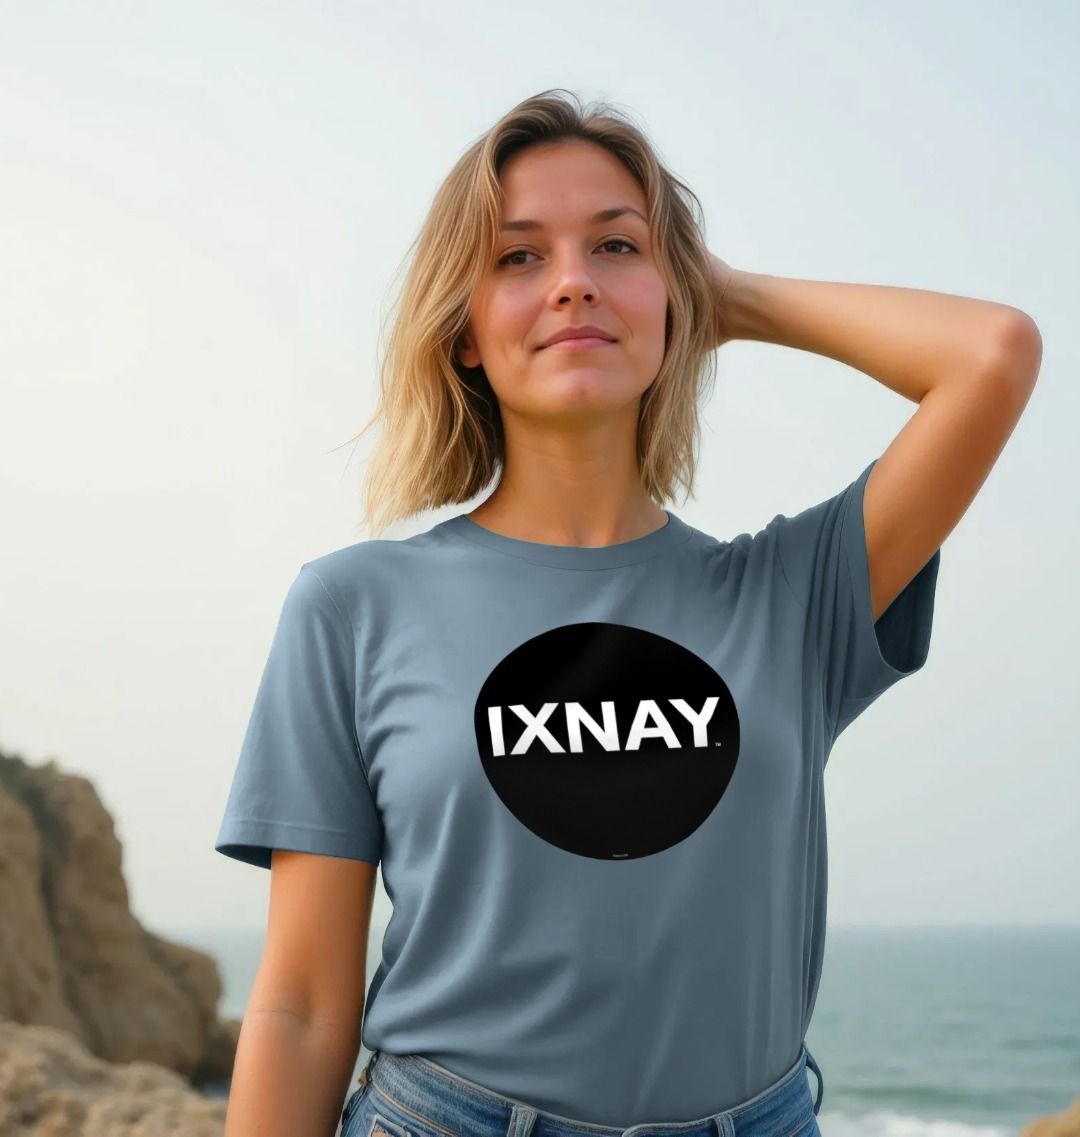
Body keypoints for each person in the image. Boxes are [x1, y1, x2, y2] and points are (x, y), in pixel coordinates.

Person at [213, 88, 1041, 1137]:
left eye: (616, 246)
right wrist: (633, 277)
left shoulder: (795, 594)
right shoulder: (353, 606)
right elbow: (298, 1004)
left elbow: (991, 353)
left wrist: (719, 295)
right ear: (463, 331)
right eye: (518, 257)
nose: (573, 282)